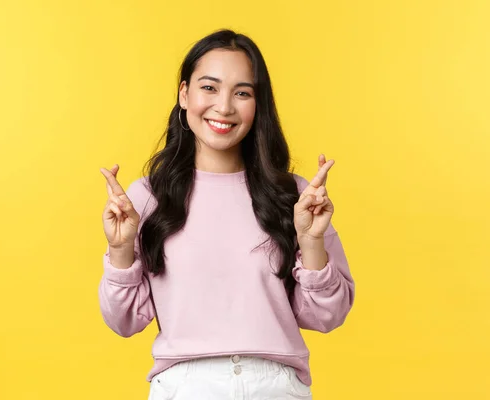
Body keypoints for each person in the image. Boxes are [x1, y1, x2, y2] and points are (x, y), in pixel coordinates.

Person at [98, 29, 355, 399]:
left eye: (242, 92)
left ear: (258, 104)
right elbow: (123, 322)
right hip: (185, 386)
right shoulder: (146, 198)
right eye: (209, 88)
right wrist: (120, 251)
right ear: (184, 94)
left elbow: (327, 317)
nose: (225, 107)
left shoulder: (295, 196)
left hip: (276, 387)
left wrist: (311, 241)